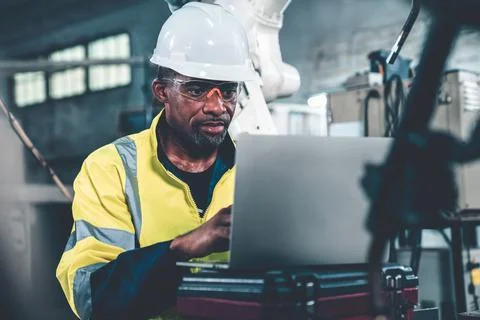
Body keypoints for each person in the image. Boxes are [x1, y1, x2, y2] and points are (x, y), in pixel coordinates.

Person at [56, 2, 256, 319]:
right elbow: (93, 297)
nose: (217, 106)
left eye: (228, 91)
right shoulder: (111, 169)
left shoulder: (258, 170)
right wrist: (185, 247)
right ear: (161, 91)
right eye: (198, 89)